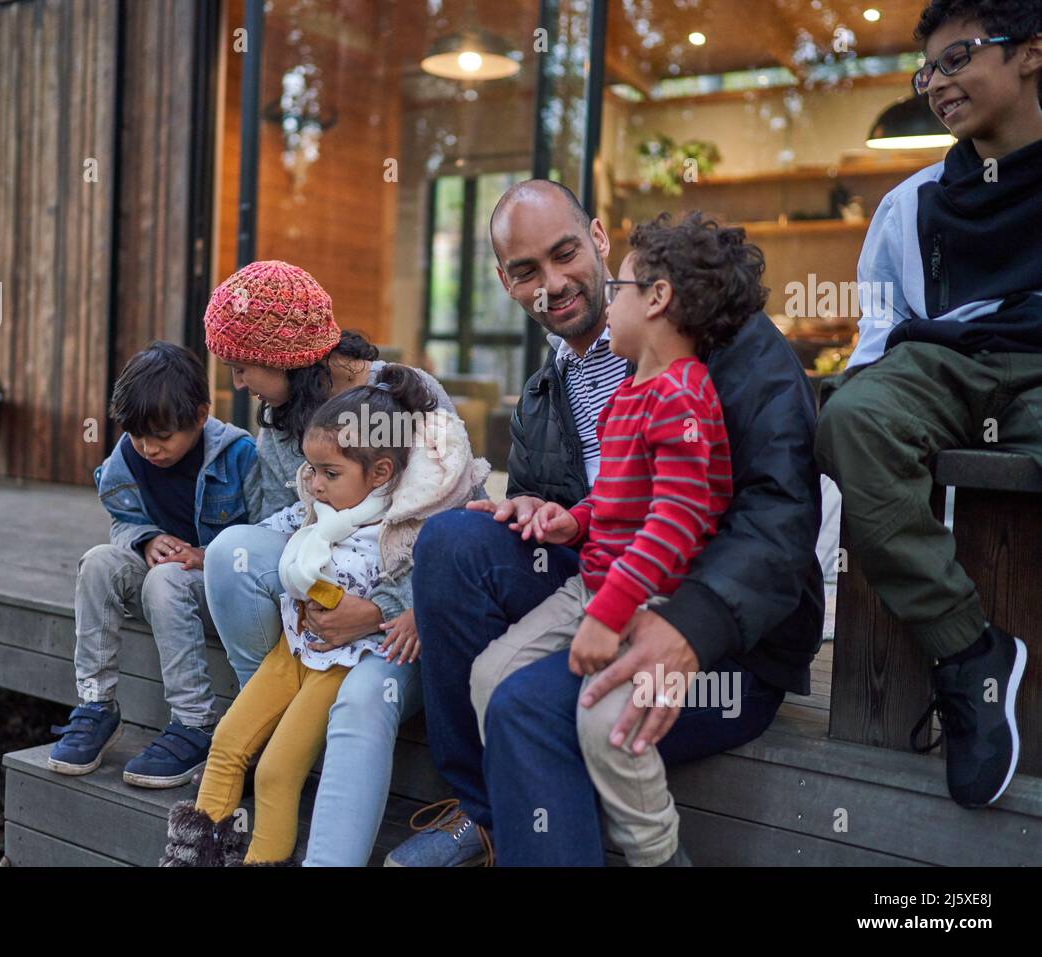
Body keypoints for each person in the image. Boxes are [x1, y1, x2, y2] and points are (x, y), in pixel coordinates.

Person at [388, 179, 823, 867]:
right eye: (527, 271)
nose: (554, 283)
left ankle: (553, 810)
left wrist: (692, 625)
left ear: (598, 238)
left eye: (565, 253)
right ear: (506, 282)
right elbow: (584, 514)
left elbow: (781, 511)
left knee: (528, 705)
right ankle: (491, 814)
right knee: (451, 542)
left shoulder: (719, 337)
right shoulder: (540, 395)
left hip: (722, 632)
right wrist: (537, 512)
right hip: (601, 589)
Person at [469, 212, 765, 867]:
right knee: (491, 675)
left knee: (606, 725)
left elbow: (675, 521)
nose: (610, 299)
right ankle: (537, 817)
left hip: (655, 598)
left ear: (657, 299)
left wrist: (606, 615)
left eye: (623, 287)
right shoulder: (630, 391)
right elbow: (622, 493)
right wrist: (576, 519)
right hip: (596, 584)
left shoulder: (684, 397)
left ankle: (657, 853)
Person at [816, 0, 1042, 808]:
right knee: (850, 418)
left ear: (1030, 54)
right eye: (928, 70)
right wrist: (866, 399)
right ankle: (968, 651)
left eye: (958, 59)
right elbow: (880, 331)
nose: (938, 84)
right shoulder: (912, 204)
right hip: (945, 366)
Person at [198, 260, 476, 866]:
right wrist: (311, 595)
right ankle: (274, 717)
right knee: (232, 554)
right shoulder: (278, 424)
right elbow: (290, 526)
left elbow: (454, 527)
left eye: (243, 366)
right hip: (324, 607)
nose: (239, 382)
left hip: (403, 616)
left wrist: (378, 610)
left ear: (288, 359)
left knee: (362, 700)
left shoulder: (409, 399)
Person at [47, 342, 257, 788]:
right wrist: (145, 539)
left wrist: (206, 556)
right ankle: (97, 704)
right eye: (139, 435)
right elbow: (122, 520)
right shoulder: (126, 457)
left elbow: (268, 535)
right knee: (98, 562)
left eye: (163, 437)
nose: (149, 449)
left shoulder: (239, 456)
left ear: (200, 416)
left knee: (166, 580)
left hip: (221, 595)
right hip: (163, 585)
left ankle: (195, 721)